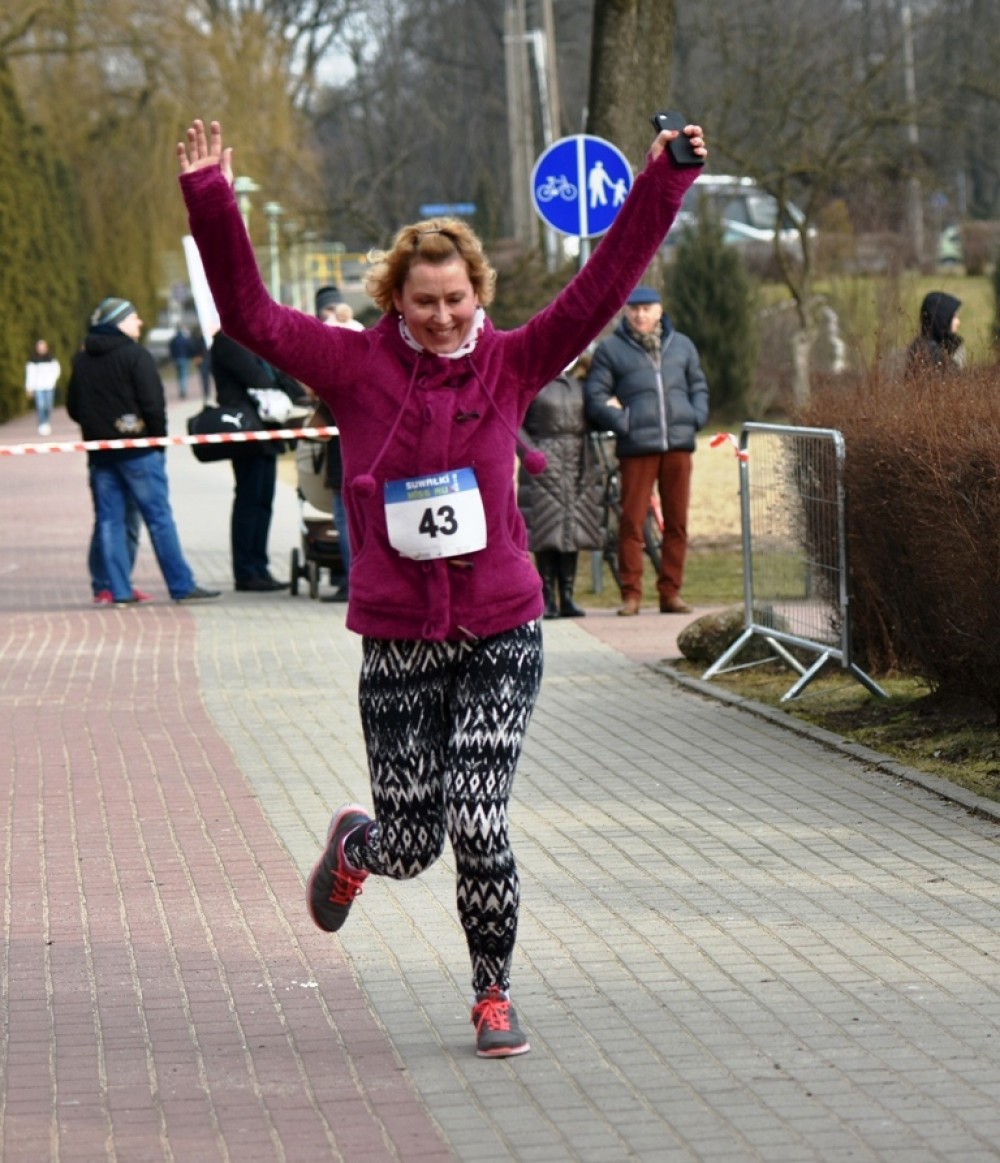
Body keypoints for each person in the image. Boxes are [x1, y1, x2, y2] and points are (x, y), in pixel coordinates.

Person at [177, 115, 707, 1057]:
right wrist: (213, 200)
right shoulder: (352, 368)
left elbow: (602, 286)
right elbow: (252, 317)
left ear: (478, 293)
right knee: (413, 844)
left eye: (457, 298)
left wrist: (662, 181)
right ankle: (359, 846)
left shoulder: (513, 360)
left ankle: (492, 993)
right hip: (400, 638)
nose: (443, 316)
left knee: (480, 816)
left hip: (502, 628)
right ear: (395, 297)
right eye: (424, 301)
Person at [66, 296, 221, 605]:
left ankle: (118, 590)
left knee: (110, 522)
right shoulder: (136, 355)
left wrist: (97, 427)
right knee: (159, 519)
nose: (139, 322)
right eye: (133, 317)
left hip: (100, 454)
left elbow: (73, 407)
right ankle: (181, 585)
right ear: (118, 322)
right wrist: (158, 444)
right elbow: (153, 404)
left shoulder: (82, 360)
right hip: (139, 452)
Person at [585, 286, 709, 617]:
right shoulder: (611, 350)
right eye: (634, 309)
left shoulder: (682, 345)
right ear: (626, 312)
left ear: (659, 311)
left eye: (647, 308)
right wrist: (623, 421)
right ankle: (631, 594)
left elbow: (698, 386)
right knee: (632, 522)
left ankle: (671, 592)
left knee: (677, 523)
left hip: (678, 445)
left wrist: (695, 417)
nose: (640, 314)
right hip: (636, 447)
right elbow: (595, 395)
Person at [211, 330, 297, 592]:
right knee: (249, 502)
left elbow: (278, 376)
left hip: (266, 432)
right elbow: (258, 378)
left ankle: (260, 567)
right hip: (246, 431)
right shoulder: (228, 340)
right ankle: (246, 571)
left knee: (263, 503)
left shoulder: (253, 342)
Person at [517, 357, 602, 618]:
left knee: (572, 531)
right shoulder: (533, 383)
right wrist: (531, 453)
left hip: (577, 464)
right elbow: (514, 423)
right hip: (543, 462)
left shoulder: (581, 384)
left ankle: (567, 596)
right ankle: (547, 598)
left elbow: (595, 416)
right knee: (546, 532)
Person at [313, 285, 353, 602]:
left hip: (345, 461)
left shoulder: (334, 369)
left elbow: (319, 428)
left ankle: (353, 582)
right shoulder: (362, 341)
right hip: (367, 458)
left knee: (345, 520)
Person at [906, 291, 964, 376]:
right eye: (954, 317)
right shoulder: (930, 353)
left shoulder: (937, 347)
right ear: (942, 318)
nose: (958, 322)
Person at [25, 339, 61, 436]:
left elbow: (57, 371)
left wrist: (52, 381)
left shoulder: (51, 359)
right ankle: (41, 424)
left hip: (49, 386)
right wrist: (29, 387)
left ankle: (46, 422)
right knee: (40, 406)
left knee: (48, 406)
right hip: (38, 387)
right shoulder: (32, 360)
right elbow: (30, 375)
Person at [168, 325, 197, 399]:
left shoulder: (174, 340)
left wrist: (173, 357)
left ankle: (181, 390)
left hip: (177, 358)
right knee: (183, 375)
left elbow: (171, 349)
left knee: (179, 375)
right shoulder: (185, 339)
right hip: (184, 358)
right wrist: (190, 356)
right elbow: (190, 348)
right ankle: (183, 391)